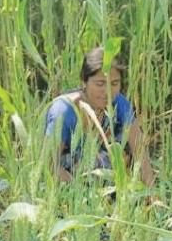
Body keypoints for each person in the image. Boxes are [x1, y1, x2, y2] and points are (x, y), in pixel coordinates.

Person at [44, 47, 155, 186]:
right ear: (84, 81)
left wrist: (154, 195)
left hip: (104, 176)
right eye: (100, 84)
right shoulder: (65, 111)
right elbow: (48, 165)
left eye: (114, 83)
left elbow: (140, 154)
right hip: (70, 182)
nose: (107, 91)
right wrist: (83, 195)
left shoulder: (119, 103)